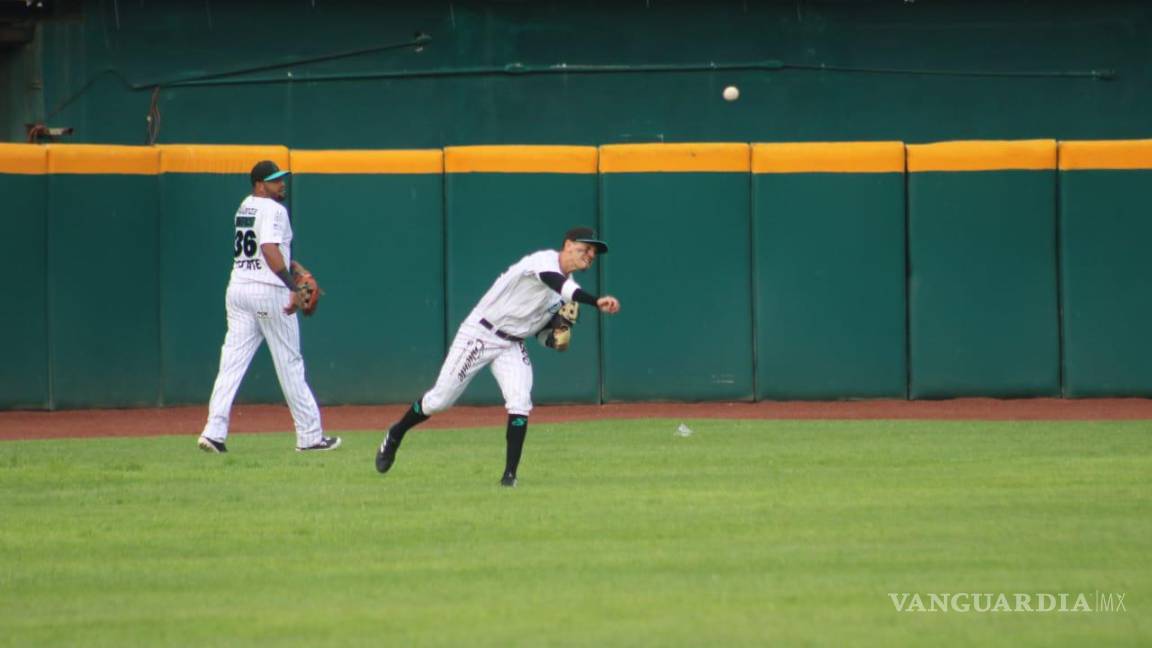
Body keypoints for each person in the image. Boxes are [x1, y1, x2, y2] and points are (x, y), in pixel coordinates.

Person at [375, 227, 621, 486]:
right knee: (439, 401)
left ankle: (509, 478)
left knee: (520, 401)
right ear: (568, 244)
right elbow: (558, 283)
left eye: (594, 252)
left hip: (512, 344)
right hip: (480, 334)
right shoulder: (543, 262)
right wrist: (596, 301)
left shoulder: (566, 295)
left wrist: (553, 339)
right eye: (586, 247)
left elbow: (539, 331)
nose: (591, 254)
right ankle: (396, 433)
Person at [197, 160, 340, 453]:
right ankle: (310, 436)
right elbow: (269, 249)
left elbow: (268, 250)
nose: (281, 184)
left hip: (239, 290)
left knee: (231, 364)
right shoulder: (275, 210)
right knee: (290, 363)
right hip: (268, 292)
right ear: (260, 185)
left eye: (281, 179)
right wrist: (292, 286)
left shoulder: (245, 206)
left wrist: (295, 268)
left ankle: (213, 432)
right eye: (275, 180)